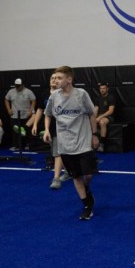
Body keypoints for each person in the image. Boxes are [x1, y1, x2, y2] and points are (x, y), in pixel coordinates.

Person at [43, 66, 99, 220]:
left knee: (88, 175)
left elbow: (91, 114)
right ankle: (87, 205)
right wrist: (47, 130)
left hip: (83, 142)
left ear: (69, 79)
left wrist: (94, 135)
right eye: (55, 78)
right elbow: (47, 114)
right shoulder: (54, 97)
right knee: (76, 177)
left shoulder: (81, 94)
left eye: (59, 78)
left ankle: (86, 189)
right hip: (64, 145)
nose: (56, 80)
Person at [32, 73, 70, 190]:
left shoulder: (63, 93)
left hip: (62, 127)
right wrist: (35, 125)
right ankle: (68, 171)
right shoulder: (44, 94)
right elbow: (40, 110)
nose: (54, 80)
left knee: (57, 153)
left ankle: (56, 178)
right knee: (59, 152)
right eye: (52, 78)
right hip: (50, 127)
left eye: (57, 78)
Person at [4, 78, 36, 151]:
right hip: (14, 115)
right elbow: (6, 99)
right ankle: (16, 146)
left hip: (25, 115)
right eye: (16, 86)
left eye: (19, 86)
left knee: (26, 131)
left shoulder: (28, 92)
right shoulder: (11, 91)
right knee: (15, 131)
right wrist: (8, 109)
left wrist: (31, 110)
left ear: (23, 85)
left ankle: (27, 145)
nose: (17, 87)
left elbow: (33, 100)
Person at [94, 82, 116, 153]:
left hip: (108, 116)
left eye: (104, 88)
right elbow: (96, 109)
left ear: (107, 89)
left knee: (102, 122)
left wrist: (100, 117)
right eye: (101, 88)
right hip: (99, 116)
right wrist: (94, 119)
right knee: (90, 122)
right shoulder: (98, 98)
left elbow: (111, 111)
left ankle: (101, 145)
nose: (102, 90)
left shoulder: (111, 97)